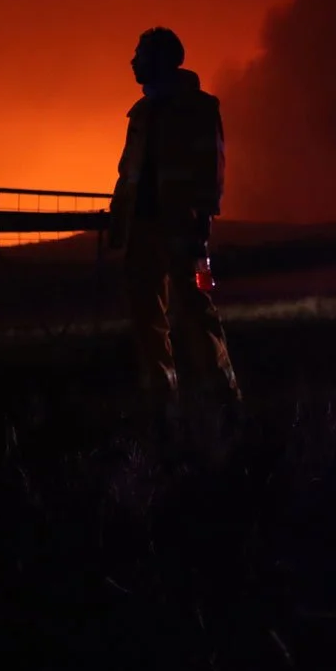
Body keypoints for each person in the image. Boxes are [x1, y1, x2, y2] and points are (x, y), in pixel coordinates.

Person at [108, 26, 239, 408]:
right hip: (143, 229)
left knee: (196, 312)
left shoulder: (198, 108)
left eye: (140, 54)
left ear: (160, 60)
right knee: (146, 317)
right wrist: (120, 220)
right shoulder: (142, 112)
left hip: (182, 228)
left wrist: (200, 222)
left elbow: (211, 167)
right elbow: (127, 173)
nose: (133, 61)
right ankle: (161, 401)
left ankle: (222, 399)